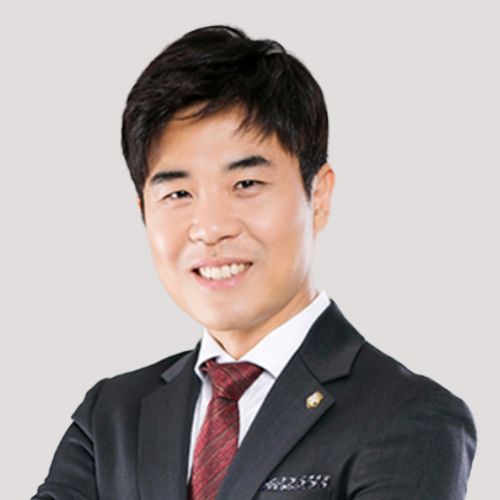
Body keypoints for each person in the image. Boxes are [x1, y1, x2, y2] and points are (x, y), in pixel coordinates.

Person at [32, 25, 477, 499]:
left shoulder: (409, 417)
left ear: (319, 196)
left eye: (246, 185)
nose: (211, 227)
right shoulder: (111, 417)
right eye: (178, 193)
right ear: (143, 211)